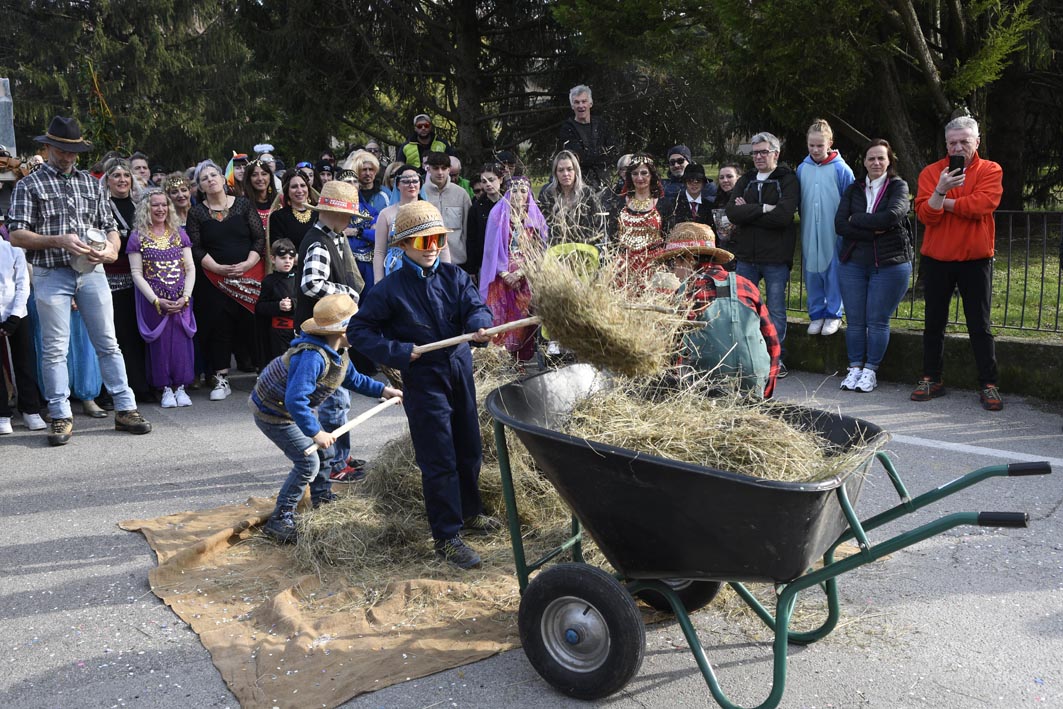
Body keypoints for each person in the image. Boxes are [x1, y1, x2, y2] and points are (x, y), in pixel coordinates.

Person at [347, 202, 500, 569]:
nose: (432, 246)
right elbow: (358, 331)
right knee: (439, 458)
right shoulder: (389, 290)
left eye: (436, 239)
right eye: (423, 240)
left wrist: (479, 327)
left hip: (459, 370)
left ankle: (470, 512)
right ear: (403, 245)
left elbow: (476, 307)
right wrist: (397, 351)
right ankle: (447, 537)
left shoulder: (454, 277)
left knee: (469, 448)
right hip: (424, 378)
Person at [7, 115, 152, 445]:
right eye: (61, 150)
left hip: (92, 271)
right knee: (54, 348)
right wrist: (58, 240)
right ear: (48, 147)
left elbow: (109, 226)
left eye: (73, 151)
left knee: (108, 342)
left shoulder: (90, 183)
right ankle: (59, 415)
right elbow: (16, 234)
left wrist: (113, 250)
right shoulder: (29, 184)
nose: (68, 157)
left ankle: (125, 408)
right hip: (51, 273)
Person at [253, 293, 402, 543]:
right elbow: (295, 399)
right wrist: (315, 432)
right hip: (274, 412)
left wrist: (383, 390)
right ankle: (281, 518)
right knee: (307, 462)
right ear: (343, 331)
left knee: (327, 453)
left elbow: (352, 378)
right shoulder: (311, 357)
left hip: (295, 408)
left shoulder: (338, 351)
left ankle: (321, 497)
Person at [912, 115, 1004, 410]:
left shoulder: (991, 169)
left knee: (980, 325)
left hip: (975, 260)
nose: (958, 147)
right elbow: (926, 216)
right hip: (937, 259)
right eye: (953, 142)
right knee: (933, 324)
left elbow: (981, 205)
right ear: (946, 144)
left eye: (965, 141)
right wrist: (940, 189)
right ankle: (931, 378)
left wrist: (943, 202)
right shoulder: (931, 173)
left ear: (977, 141)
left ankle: (988, 383)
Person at [652, 222, 780, 398]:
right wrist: (764, 394)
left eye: (673, 263)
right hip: (754, 382)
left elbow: (673, 351)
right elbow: (772, 344)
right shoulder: (746, 285)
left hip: (707, 388)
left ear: (689, 259)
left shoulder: (688, 293)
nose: (673, 272)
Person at [296, 179, 367, 484]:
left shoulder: (334, 237)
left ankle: (343, 454)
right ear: (334, 214)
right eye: (349, 216)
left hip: (333, 331)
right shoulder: (318, 242)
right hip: (320, 333)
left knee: (341, 397)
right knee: (334, 400)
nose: (351, 221)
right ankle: (336, 462)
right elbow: (311, 284)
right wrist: (345, 292)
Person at [835, 139, 914, 394]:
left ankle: (870, 370)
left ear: (889, 160)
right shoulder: (853, 189)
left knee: (877, 320)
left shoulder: (898, 186)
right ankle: (855, 367)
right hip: (854, 262)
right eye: (871, 158)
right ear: (864, 162)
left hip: (889, 264)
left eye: (881, 158)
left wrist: (857, 220)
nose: (876, 163)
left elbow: (893, 216)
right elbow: (840, 224)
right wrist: (874, 230)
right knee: (855, 320)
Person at [185, 159, 266, 401]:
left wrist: (248, 264)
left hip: (249, 275)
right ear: (200, 186)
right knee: (219, 328)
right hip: (213, 280)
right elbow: (195, 247)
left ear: (223, 179)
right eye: (204, 178)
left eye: (213, 175)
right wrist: (218, 268)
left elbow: (259, 238)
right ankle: (221, 378)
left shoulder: (243, 205)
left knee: (252, 326)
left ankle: (263, 375)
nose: (210, 180)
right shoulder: (197, 212)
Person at [725, 132, 800, 376]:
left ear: (775, 154)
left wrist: (749, 211)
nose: (758, 156)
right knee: (743, 308)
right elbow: (732, 214)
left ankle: (776, 359)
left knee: (776, 309)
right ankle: (747, 357)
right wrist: (765, 208)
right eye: (754, 152)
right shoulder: (746, 179)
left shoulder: (787, 179)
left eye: (763, 152)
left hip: (776, 258)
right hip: (747, 256)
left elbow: (783, 217)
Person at [126, 189, 197, 408]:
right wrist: (155, 300)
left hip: (181, 299)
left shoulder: (178, 234)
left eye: (164, 205)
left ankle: (182, 387)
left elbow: (191, 267)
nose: (160, 209)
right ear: (146, 208)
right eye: (155, 205)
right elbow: (136, 273)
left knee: (181, 344)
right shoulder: (137, 236)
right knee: (160, 345)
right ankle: (165, 388)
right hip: (155, 303)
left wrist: (186, 296)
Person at [479, 175, 548, 364]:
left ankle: (521, 362)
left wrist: (521, 272)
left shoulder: (535, 218)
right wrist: (504, 273)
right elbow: (490, 250)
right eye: (514, 191)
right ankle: (498, 360)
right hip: (500, 278)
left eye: (523, 191)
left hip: (525, 277)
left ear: (529, 194)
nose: (518, 195)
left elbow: (540, 250)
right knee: (500, 319)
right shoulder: (497, 215)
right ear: (508, 193)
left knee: (523, 318)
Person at [797, 118, 854, 336]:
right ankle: (816, 313)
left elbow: (850, 199)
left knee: (833, 268)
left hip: (834, 230)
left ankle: (833, 314)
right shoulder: (803, 168)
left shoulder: (841, 169)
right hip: (810, 228)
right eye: (811, 145)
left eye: (820, 145)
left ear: (830, 143)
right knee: (812, 269)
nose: (815, 149)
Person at [101, 157, 151, 403]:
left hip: (140, 279)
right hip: (111, 278)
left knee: (136, 334)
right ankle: (112, 390)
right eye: (116, 176)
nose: (122, 180)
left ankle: (140, 385)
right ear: (107, 181)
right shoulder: (101, 207)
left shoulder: (140, 205)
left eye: (126, 176)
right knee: (115, 336)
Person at [0, 226, 47, 433]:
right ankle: (2, 414)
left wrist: (15, 315)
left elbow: (22, 283)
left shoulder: (12, 248)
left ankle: (30, 409)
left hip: (17, 312)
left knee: (25, 361)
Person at [613, 153, 666, 283]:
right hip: (624, 268)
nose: (639, 177)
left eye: (644, 173)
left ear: (652, 176)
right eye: (635, 173)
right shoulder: (618, 203)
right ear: (630, 177)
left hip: (655, 268)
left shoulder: (664, 204)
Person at [557, 84, 618, 189]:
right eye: (577, 102)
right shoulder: (567, 129)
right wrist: (600, 153)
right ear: (572, 106)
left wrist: (589, 154)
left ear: (590, 103)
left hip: (604, 182)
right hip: (580, 184)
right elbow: (576, 158)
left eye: (584, 101)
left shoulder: (601, 124)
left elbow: (614, 150)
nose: (581, 106)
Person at [538, 149, 602, 247]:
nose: (565, 174)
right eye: (561, 170)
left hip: (584, 249)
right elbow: (543, 227)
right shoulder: (547, 195)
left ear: (576, 171)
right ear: (555, 173)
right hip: (555, 250)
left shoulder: (587, 194)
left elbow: (596, 227)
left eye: (569, 169)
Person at [422, 151, 472, 272]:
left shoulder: (461, 194)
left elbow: (468, 231)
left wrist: (471, 266)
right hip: (428, 261)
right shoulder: (420, 193)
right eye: (436, 168)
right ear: (428, 169)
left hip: (457, 262)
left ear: (449, 170)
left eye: (444, 168)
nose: (440, 172)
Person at [256, 238, 298, 360]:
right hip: (278, 333)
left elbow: (307, 301)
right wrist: (277, 306)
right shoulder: (269, 281)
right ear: (273, 259)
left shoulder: (299, 278)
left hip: (298, 331)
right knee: (281, 365)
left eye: (290, 258)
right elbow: (260, 307)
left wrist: (293, 304)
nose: (287, 262)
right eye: (283, 258)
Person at [464, 163, 504, 281]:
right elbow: (471, 239)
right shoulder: (476, 208)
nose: (488, 184)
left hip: (508, 262)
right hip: (485, 262)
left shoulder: (509, 204)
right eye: (484, 181)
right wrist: (472, 268)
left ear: (500, 179)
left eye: (491, 180)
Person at [268, 171, 318, 254]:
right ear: (287, 190)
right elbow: (278, 248)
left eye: (302, 185)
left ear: (308, 188)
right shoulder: (278, 217)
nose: (299, 190)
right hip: (291, 264)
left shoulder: (319, 213)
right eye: (294, 187)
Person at [660, 162, 715, 233]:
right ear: (684, 182)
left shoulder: (710, 206)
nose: (694, 184)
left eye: (698, 181)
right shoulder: (673, 205)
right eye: (690, 180)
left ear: (703, 183)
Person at [242, 158, 278, 231]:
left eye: (264, 174)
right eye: (254, 175)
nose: (260, 178)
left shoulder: (280, 200)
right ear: (249, 179)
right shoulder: (242, 204)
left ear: (270, 177)